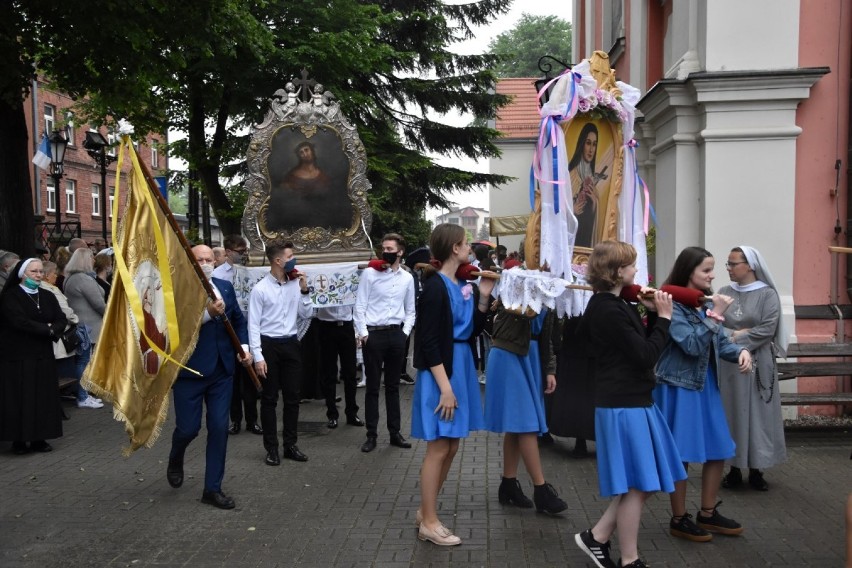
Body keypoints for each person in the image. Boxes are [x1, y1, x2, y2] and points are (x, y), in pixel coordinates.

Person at [573, 241, 685, 568]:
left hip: (634, 400)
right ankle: (629, 558)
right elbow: (645, 356)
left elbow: (638, 347)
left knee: (644, 482)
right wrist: (664, 319)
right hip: (623, 404)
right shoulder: (607, 308)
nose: (636, 271)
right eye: (632, 265)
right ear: (617, 271)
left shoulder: (615, 304)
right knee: (637, 484)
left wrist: (651, 317)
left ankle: (597, 537)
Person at [653, 246, 752, 542]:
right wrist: (717, 315)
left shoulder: (702, 303)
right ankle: (679, 518)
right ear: (688, 272)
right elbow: (692, 345)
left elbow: (719, 343)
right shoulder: (672, 305)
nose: (712, 275)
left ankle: (707, 513)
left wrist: (741, 351)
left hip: (705, 386)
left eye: (712, 269)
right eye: (706, 270)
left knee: (718, 448)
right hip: (678, 387)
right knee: (681, 454)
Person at [411, 223, 495, 546]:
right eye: (466, 244)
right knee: (439, 447)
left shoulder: (463, 284)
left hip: (460, 367)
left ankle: (425, 510)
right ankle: (429, 522)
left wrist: (484, 298)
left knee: (453, 444)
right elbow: (429, 342)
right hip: (441, 374)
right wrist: (445, 387)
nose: (470, 249)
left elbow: (472, 331)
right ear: (454, 249)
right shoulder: (434, 287)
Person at [166, 245, 250, 509]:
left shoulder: (224, 286)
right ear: (190, 261)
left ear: (216, 261)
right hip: (190, 372)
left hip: (222, 372)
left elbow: (238, 321)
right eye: (198, 259)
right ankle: (176, 455)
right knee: (188, 429)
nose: (204, 263)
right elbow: (173, 328)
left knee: (218, 428)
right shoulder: (176, 289)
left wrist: (244, 349)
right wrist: (206, 315)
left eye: (208, 259)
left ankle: (212, 489)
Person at [483, 294, 568, 515]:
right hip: (509, 354)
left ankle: (508, 484)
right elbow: (509, 311)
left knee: (517, 425)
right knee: (526, 424)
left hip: (531, 356)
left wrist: (550, 369)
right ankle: (541, 490)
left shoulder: (552, 287)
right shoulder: (517, 282)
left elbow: (547, 335)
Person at [718, 246, 788, 491]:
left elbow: (768, 329)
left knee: (759, 415)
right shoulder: (724, 292)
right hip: (730, 364)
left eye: (733, 263)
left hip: (759, 363)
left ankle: (757, 469)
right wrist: (737, 335)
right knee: (732, 412)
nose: (728, 268)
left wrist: (735, 335)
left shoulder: (767, 295)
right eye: (728, 263)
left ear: (749, 266)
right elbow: (714, 324)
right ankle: (734, 468)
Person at [249, 241, 313, 465]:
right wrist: (258, 356)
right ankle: (271, 448)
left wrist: (305, 290)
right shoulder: (260, 289)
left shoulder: (295, 284)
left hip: (291, 343)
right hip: (269, 345)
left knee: (293, 396)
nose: (294, 259)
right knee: (269, 398)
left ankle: (290, 445)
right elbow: (253, 325)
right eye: (291, 255)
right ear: (278, 261)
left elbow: (306, 314)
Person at [354, 233, 416, 453]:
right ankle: (371, 434)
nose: (386, 252)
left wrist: (405, 334)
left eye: (390, 248)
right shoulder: (370, 274)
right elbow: (359, 306)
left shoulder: (407, 278)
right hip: (374, 335)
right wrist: (363, 333)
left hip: (396, 336)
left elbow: (411, 310)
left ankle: (394, 432)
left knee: (392, 387)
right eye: (383, 248)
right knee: (372, 387)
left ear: (400, 252)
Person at [0, 259, 65, 454]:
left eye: (40, 271)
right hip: (18, 356)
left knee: (42, 397)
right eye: (34, 272)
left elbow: (60, 318)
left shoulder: (47, 295)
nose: (38, 275)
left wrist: (54, 329)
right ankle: (18, 440)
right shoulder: (11, 297)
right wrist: (47, 329)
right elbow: (19, 322)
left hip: (43, 355)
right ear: (22, 274)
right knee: (20, 398)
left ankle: (39, 438)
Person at [213, 235, 262, 436]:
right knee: (232, 379)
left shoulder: (251, 271)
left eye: (245, 251)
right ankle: (235, 420)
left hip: (247, 326)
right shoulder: (218, 274)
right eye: (240, 252)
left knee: (249, 378)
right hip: (228, 328)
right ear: (229, 252)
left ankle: (252, 420)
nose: (244, 255)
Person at [42, 261, 102, 409]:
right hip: (65, 332)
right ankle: (82, 396)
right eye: (53, 273)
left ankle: (83, 394)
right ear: (47, 275)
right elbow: (65, 310)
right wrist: (75, 320)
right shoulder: (51, 289)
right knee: (83, 360)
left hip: (57, 332)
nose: (56, 275)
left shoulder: (57, 284)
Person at [316, 304, 364, 429]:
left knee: (350, 373)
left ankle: (352, 413)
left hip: (347, 326)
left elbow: (358, 304)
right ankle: (332, 415)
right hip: (327, 326)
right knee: (329, 373)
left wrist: (358, 331)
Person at [570, 122, 607, 248]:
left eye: (594, 144)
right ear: (582, 144)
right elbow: (558, 208)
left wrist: (595, 203)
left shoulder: (592, 178)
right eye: (588, 143)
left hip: (587, 238)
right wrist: (572, 210)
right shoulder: (571, 175)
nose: (591, 149)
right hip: (572, 238)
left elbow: (596, 217)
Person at [63, 249, 106, 356]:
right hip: (91, 330)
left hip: (81, 327)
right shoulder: (84, 279)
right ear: (85, 260)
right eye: (92, 257)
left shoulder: (70, 278)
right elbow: (99, 305)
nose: (94, 260)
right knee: (87, 363)